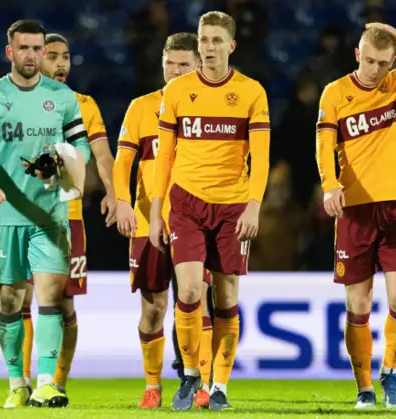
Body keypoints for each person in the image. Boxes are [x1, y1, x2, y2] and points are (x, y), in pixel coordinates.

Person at [315, 22, 396, 409]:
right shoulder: (335, 92)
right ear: (358, 55)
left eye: (383, 63)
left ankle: (389, 372)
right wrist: (330, 184)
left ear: (393, 63)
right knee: (357, 306)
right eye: (369, 60)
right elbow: (324, 144)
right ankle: (364, 388)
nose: (374, 70)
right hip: (354, 211)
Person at [149, 11, 270, 411]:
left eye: (218, 40)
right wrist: (156, 208)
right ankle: (189, 374)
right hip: (185, 202)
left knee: (226, 297)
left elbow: (262, 156)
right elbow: (164, 155)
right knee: (186, 291)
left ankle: (219, 385)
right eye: (204, 40)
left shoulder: (252, 92)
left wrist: (254, 205)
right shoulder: (179, 91)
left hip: (233, 206)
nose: (210, 47)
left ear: (232, 45)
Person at [0, 20, 90, 408]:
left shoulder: (62, 96)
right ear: (10, 52)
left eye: (39, 49)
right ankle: (16, 382)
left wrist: (61, 164)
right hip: (7, 216)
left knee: (51, 296)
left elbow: (82, 149)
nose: (33, 56)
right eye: (25, 48)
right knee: (10, 301)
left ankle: (46, 382)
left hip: (50, 217)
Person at [11, 32, 116, 397]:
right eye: (52, 56)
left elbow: (102, 154)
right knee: (23, 297)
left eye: (66, 57)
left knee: (63, 302)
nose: (60, 64)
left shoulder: (83, 104)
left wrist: (114, 194)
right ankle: (22, 383)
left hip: (66, 218)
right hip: (22, 214)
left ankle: (56, 381)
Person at [113, 32, 214, 409]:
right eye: (169, 64)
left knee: (199, 301)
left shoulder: (211, 107)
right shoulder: (141, 107)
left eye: (183, 65)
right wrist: (122, 201)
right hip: (146, 221)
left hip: (196, 219)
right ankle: (153, 386)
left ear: (198, 65)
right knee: (153, 307)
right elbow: (124, 161)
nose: (175, 71)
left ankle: (201, 383)